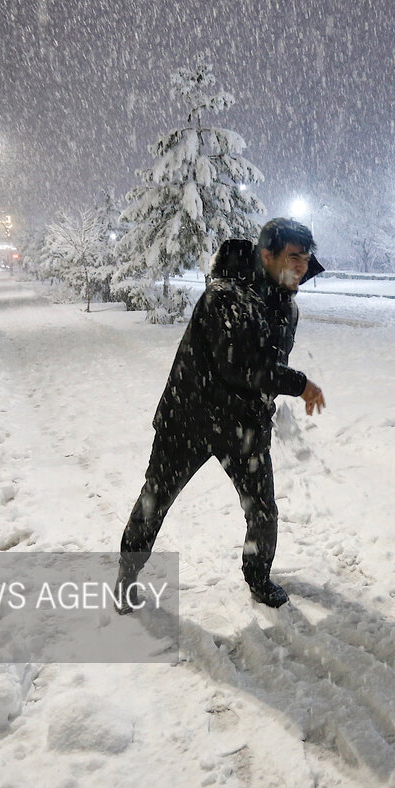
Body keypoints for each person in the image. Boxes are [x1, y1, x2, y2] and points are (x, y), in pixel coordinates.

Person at [115, 219, 326, 611]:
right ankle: (127, 574)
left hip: (244, 425)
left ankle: (258, 577)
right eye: (293, 256)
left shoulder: (286, 305)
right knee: (155, 500)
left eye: (306, 256)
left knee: (262, 509)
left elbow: (265, 365)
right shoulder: (225, 297)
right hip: (189, 419)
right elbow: (241, 365)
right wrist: (300, 385)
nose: (302, 265)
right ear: (267, 256)